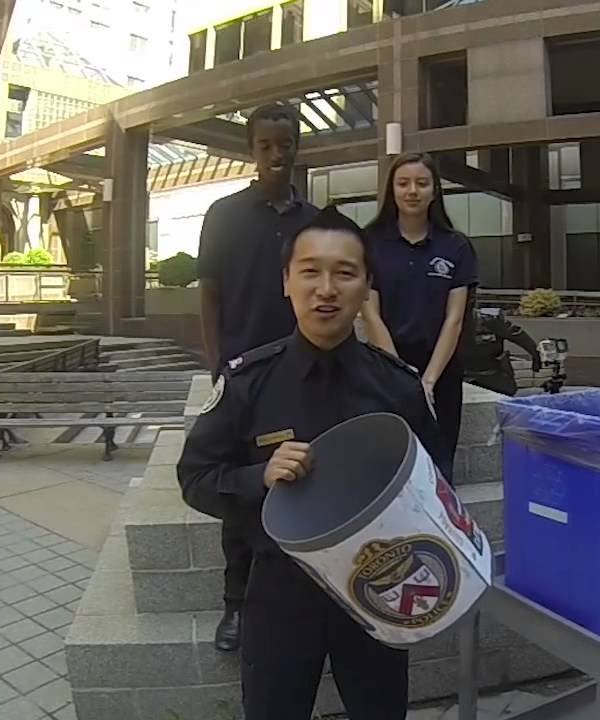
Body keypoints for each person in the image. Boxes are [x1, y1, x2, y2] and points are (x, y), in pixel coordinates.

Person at [178, 206, 449, 720]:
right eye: (310, 271)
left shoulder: (398, 387)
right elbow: (195, 477)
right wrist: (259, 477)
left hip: (378, 590)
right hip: (281, 592)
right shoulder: (248, 383)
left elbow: (437, 488)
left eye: (344, 273)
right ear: (286, 282)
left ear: (366, 285)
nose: (326, 288)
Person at [196, 102, 319, 652]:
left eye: (285, 144)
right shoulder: (223, 213)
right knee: (245, 490)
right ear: (252, 150)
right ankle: (237, 606)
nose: (276, 154)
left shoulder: (313, 221)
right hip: (243, 376)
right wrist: (216, 363)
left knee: (303, 480)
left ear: (296, 149)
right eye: (265, 145)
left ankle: (309, 591)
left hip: (302, 372)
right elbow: (209, 294)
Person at [361, 153, 478, 463]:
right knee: (390, 463)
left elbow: (454, 319)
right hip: (386, 369)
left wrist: (427, 382)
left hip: (441, 371)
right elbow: (369, 312)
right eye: (403, 183)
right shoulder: (369, 243)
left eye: (422, 183)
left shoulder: (456, 246)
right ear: (392, 190)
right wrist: (401, 377)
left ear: (434, 191)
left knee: (438, 464)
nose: (412, 191)